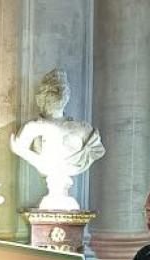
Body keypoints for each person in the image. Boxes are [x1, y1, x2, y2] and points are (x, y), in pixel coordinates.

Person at [10, 68, 105, 211]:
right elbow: (19, 148)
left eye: (63, 89)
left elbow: (98, 151)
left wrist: (24, 153)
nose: (60, 94)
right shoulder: (33, 128)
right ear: (42, 98)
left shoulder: (83, 129)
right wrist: (24, 153)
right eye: (54, 91)